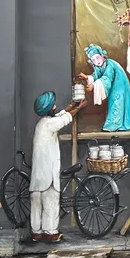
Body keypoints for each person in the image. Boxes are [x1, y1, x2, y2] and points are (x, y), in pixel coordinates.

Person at [30, 92, 83, 243]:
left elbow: (60, 115)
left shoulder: (42, 123)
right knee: (51, 202)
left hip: (38, 174)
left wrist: (72, 105)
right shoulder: (50, 124)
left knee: (36, 204)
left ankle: (36, 232)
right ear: (49, 109)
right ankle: (51, 232)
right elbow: (65, 118)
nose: (55, 107)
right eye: (53, 105)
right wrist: (79, 108)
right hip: (48, 173)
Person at [79, 44, 130, 131]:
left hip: (120, 84)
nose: (96, 61)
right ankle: (118, 125)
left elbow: (106, 78)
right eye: (93, 60)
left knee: (117, 101)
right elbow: (96, 75)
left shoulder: (109, 64)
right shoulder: (99, 66)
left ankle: (114, 125)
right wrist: (87, 78)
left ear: (102, 55)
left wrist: (93, 85)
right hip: (114, 84)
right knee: (114, 101)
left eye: (97, 58)